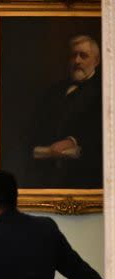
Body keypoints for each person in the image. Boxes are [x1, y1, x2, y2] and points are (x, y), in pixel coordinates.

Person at [29, 35, 102, 189]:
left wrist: (72, 141)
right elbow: (37, 126)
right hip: (48, 176)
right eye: (73, 55)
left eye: (83, 55)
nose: (77, 61)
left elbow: (102, 130)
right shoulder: (54, 91)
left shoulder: (104, 91)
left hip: (86, 176)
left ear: (96, 61)